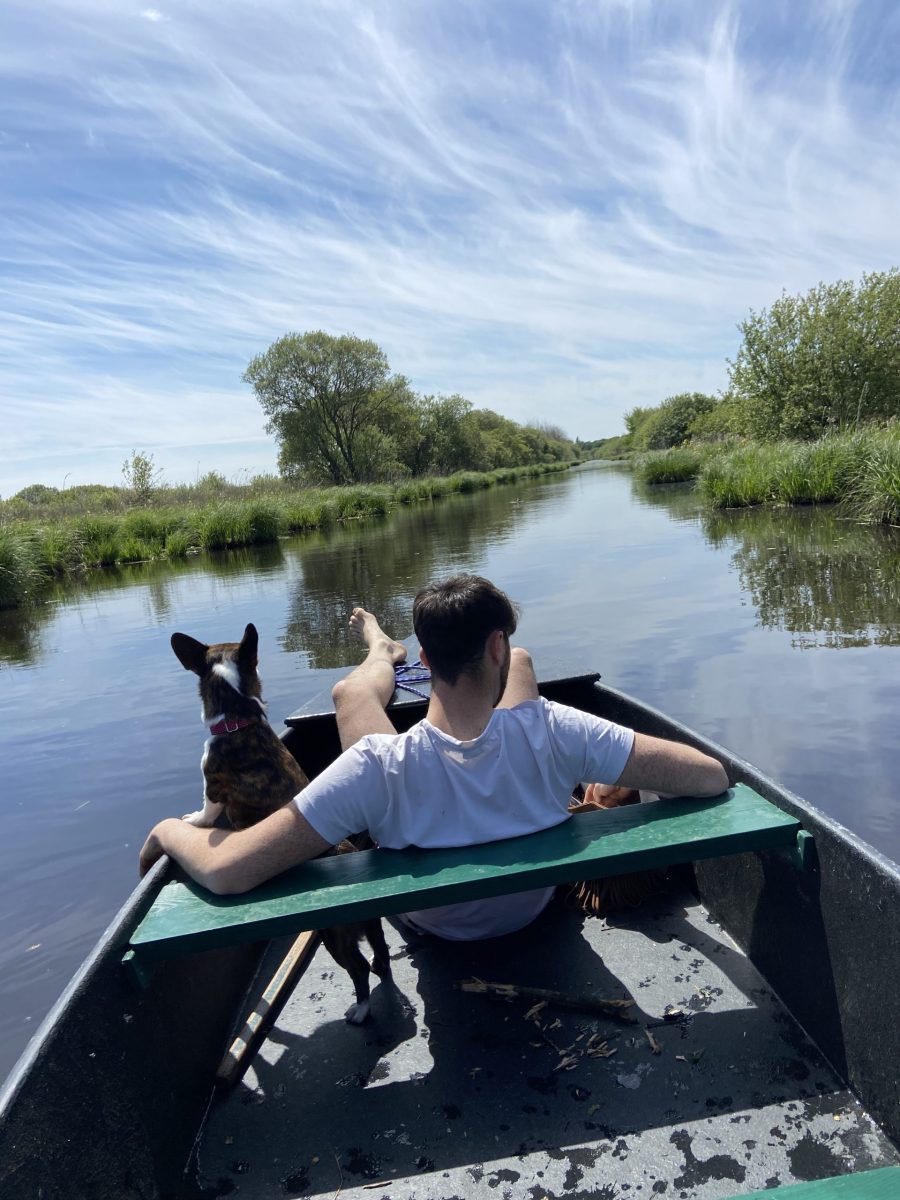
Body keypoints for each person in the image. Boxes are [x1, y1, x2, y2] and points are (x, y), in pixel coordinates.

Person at [139, 575, 729, 938]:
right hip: (528, 912)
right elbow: (708, 776)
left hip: (432, 927)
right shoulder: (557, 730)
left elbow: (228, 870)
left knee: (352, 694)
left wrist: (169, 829)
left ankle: (380, 650)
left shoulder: (375, 765)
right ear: (492, 647)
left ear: (427, 656)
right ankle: (397, 646)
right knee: (526, 667)